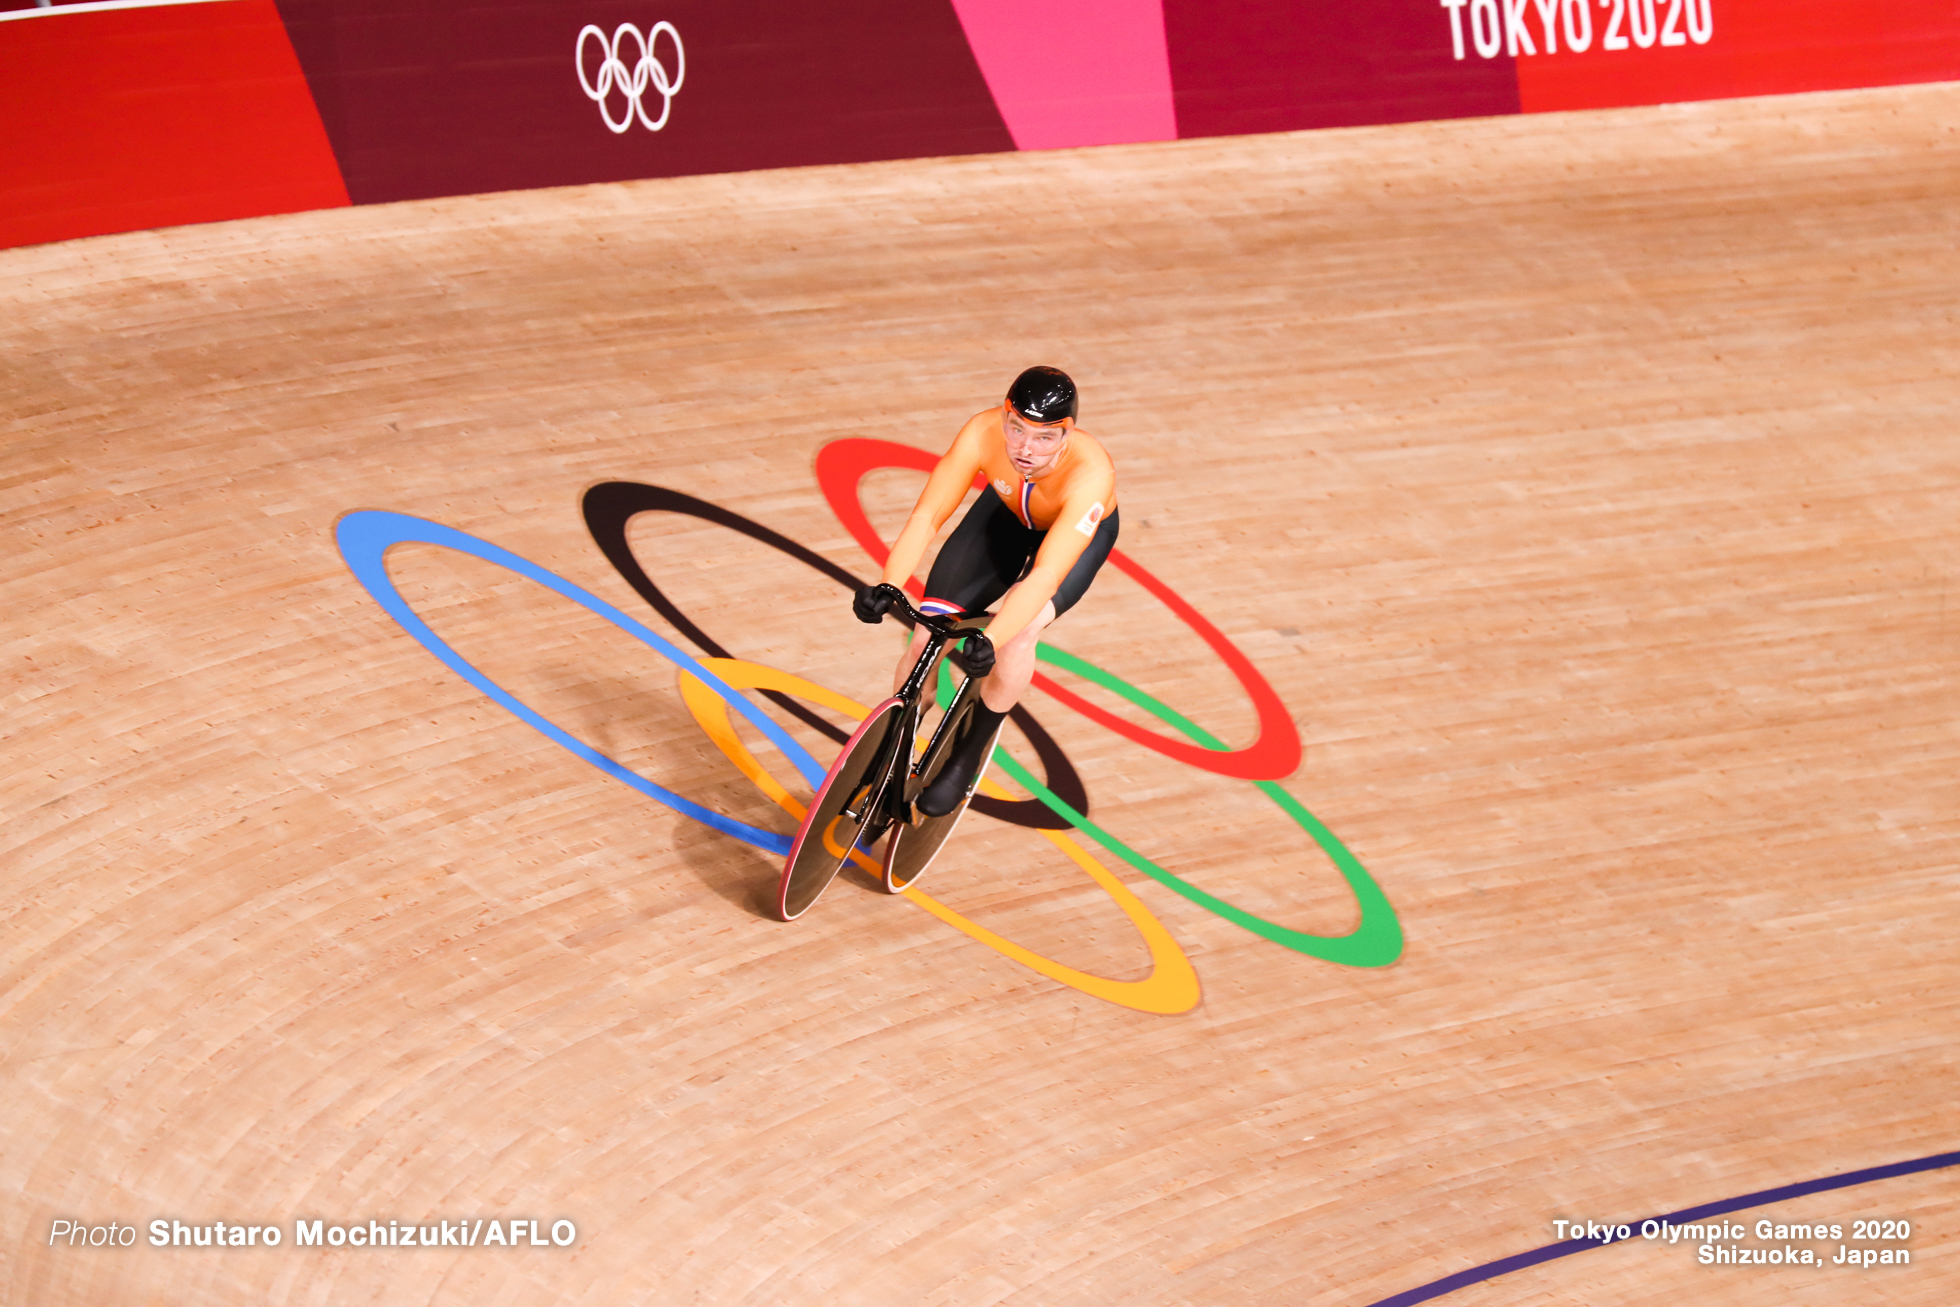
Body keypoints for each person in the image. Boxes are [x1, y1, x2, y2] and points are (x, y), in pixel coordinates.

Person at [853, 366, 1119, 816]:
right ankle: (890, 746)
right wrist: (890, 582)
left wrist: (991, 639)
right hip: (1006, 516)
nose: (1024, 449)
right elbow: (927, 517)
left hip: (1067, 543)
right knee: (927, 634)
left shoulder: (1092, 474)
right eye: (1015, 429)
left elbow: (1045, 576)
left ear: (1066, 435)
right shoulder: (981, 431)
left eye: (1043, 438)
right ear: (1004, 416)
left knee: (1019, 630)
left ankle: (968, 751)